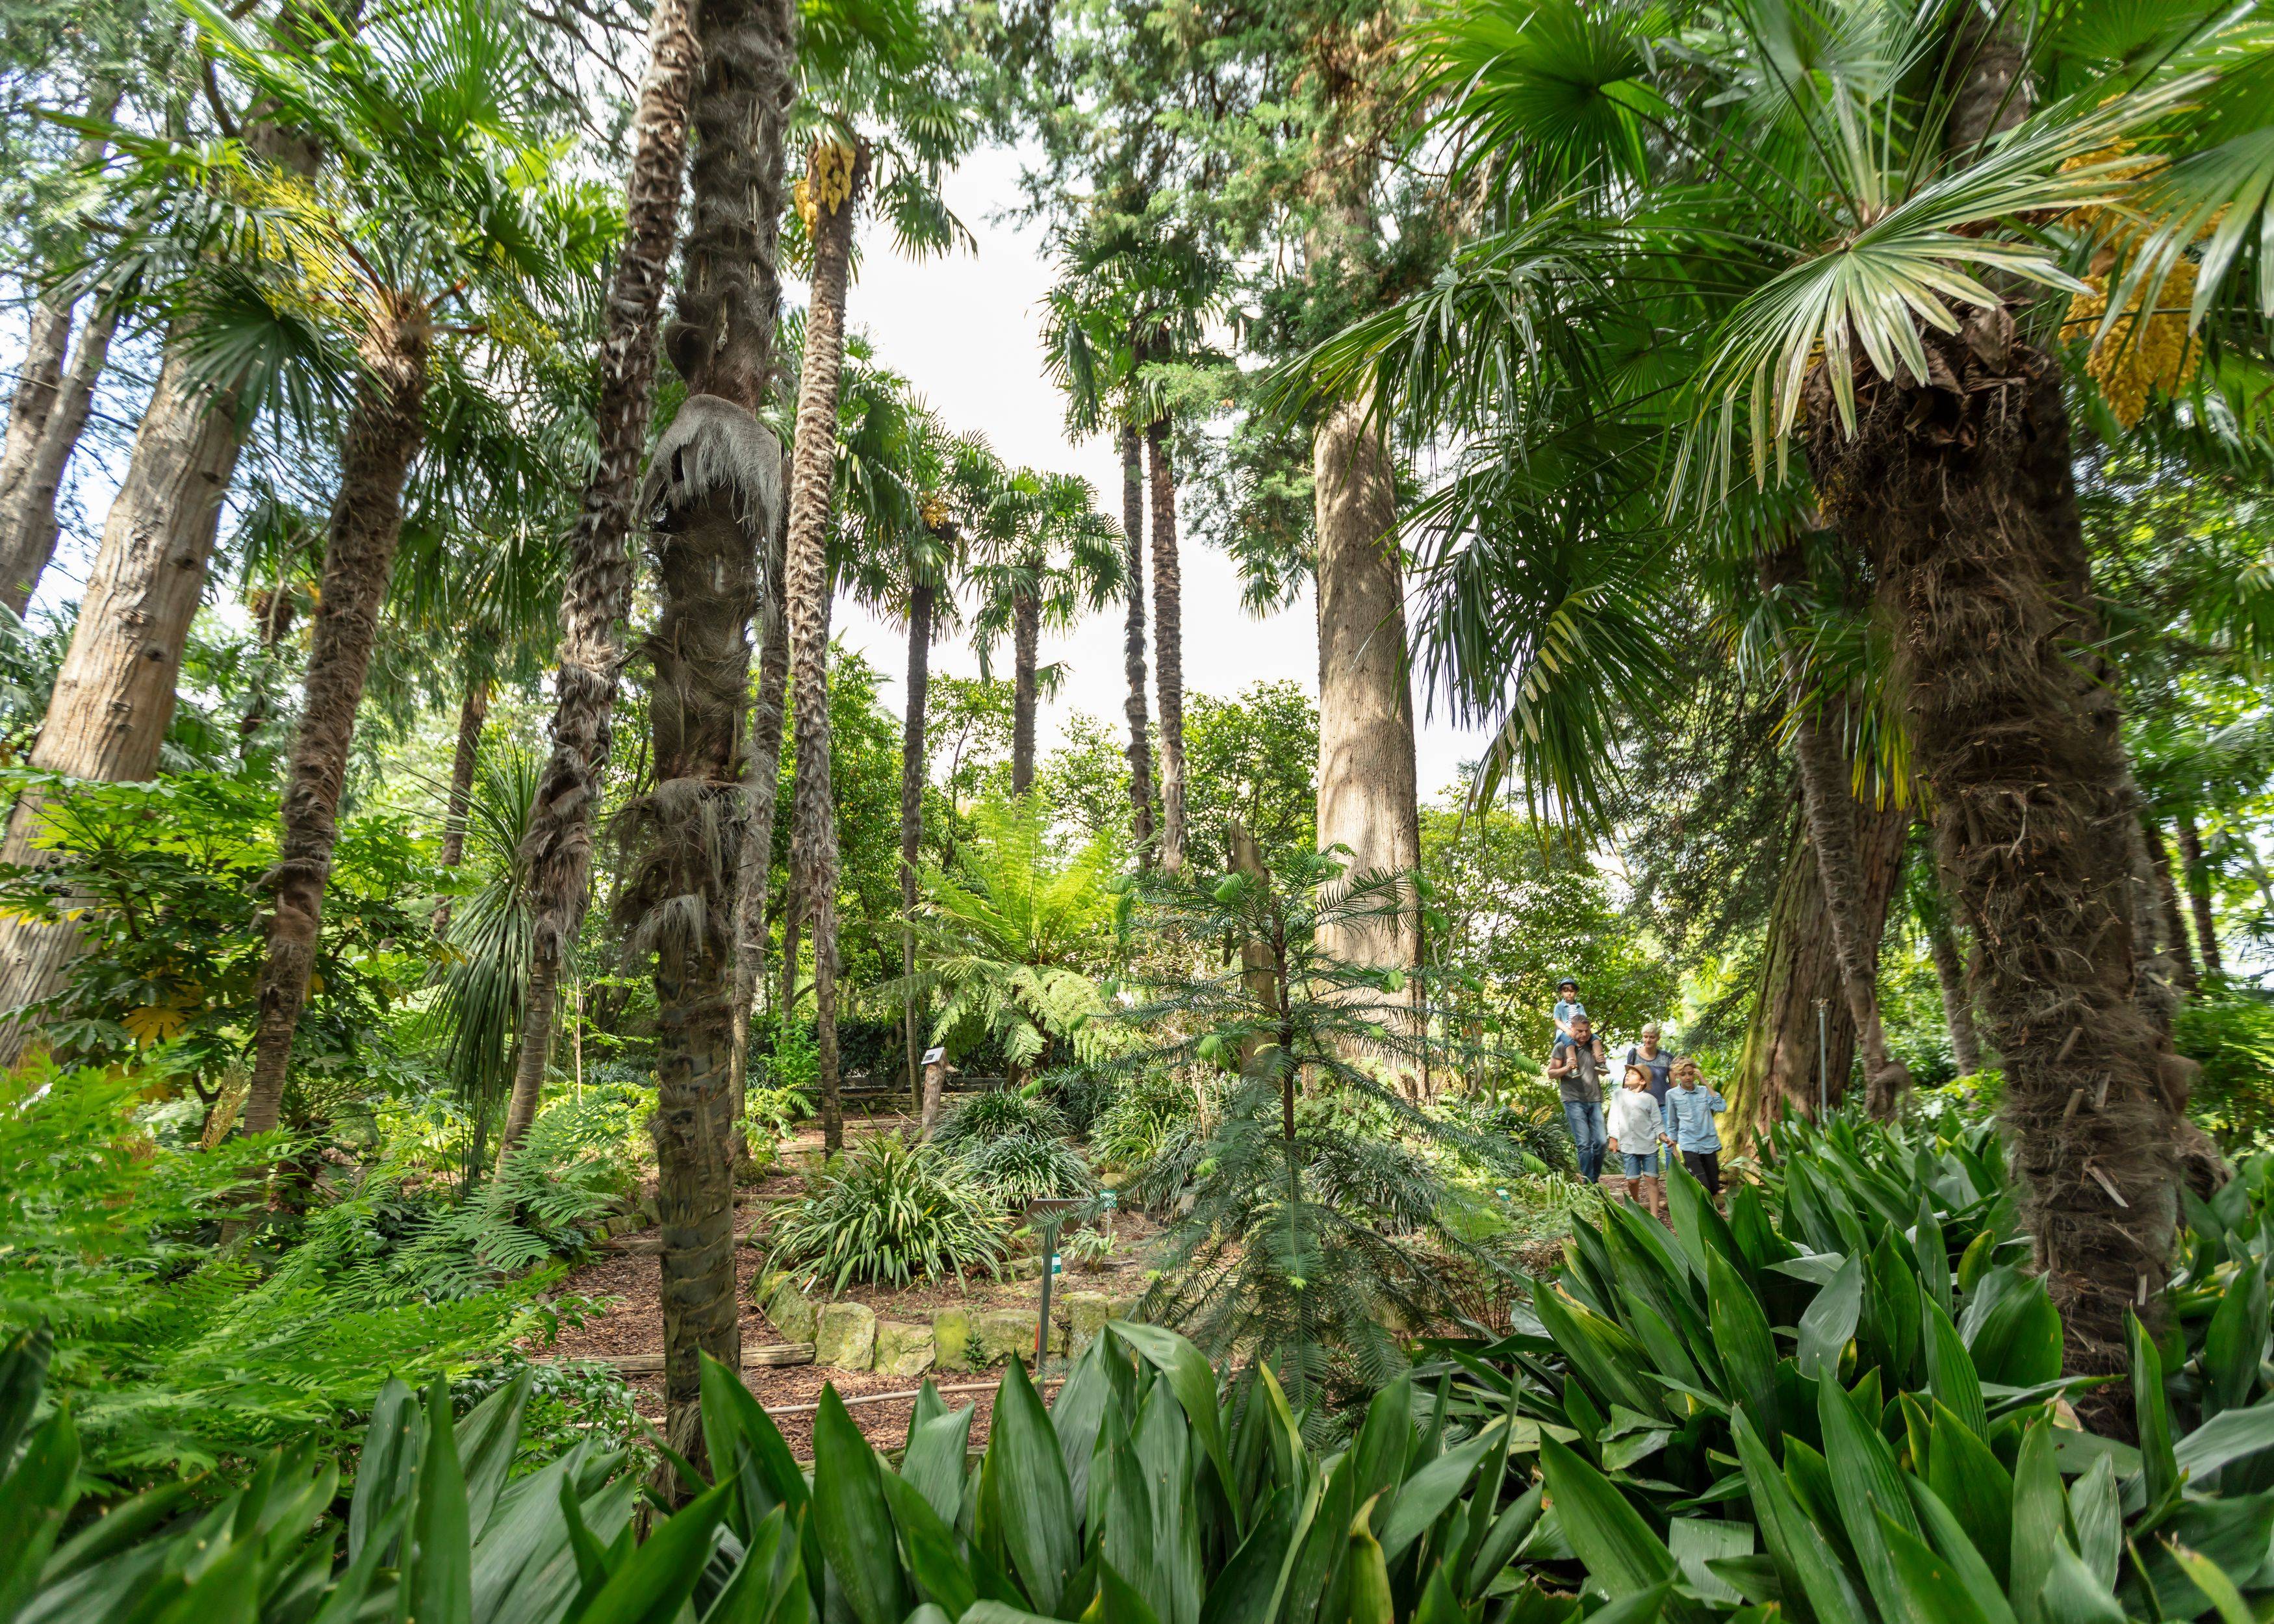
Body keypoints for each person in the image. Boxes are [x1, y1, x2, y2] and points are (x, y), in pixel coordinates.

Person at [1547, 1013, 1608, 1184]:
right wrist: (1567, 1069)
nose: (1583, 1035)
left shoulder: (1594, 1046)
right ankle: (1590, 1183)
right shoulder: (1562, 1047)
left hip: (1594, 1099)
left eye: (1587, 1031)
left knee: (1602, 1141)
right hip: (1573, 1100)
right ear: (1571, 1030)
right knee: (1584, 1143)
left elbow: (1602, 1072)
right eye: (1580, 1031)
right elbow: (1551, 1073)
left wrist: (1602, 1064)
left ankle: (1593, 1177)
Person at [1607, 1062, 1668, 1219]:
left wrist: (1663, 1136)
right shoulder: (1619, 1095)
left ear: (1642, 1081)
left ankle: (1654, 1215)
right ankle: (1636, 1203)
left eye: (1633, 1074)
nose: (1628, 1075)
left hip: (1648, 1146)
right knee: (1633, 1181)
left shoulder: (1650, 1099)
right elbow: (1613, 1118)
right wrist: (1613, 1138)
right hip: (1629, 1145)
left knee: (1652, 1179)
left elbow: (1657, 1122)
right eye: (1628, 1073)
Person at [1661, 1057, 1728, 1196]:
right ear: (1677, 1075)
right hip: (1689, 1144)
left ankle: (1713, 1215)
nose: (1688, 1077)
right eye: (1683, 1074)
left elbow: (1721, 1107)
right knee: (1703, 1187)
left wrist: (1705, 1082)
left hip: (1709, 1144)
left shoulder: (1704, 1091)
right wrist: (1674, 1148)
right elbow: (1672, 1123)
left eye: (1691, 1073)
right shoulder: (1671, 1095)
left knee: (1714, 1187)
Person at [1620, 1022, 1674, 1107]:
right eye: (1645, 1037)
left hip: (1664, 1105)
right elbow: (1628, 1078)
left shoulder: (1667, 1057)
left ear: (1658, 1038)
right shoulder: (1634, 1054)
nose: (1648, 1040)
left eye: (1652, 1037)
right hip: (1640, 1104)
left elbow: (1673, 1084)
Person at [1550, 979, 1586, 1057]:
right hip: (1565, 1032)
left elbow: (1584, 1020)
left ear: (1575, 993)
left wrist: (1582, 1031)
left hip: (1579, 1031)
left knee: (1595, 1039)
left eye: (1572, 991)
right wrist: (1568, 1031)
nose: (1569, 994)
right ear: (1562, 993)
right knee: (1569, 1042)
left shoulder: (1580, 1006)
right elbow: (1557, 1021)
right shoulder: (1559, 1006)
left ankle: (1600, 1061)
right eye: (1566, 991)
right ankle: (1572, 1062)